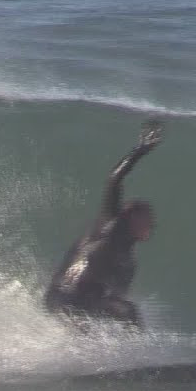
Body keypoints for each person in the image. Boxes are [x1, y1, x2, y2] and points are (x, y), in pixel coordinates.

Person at [44, 120, 163, 331]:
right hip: (63, 296)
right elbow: (114, 179)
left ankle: (128, 357)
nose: (151, 225)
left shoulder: (128, 262)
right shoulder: (111, 225)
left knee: (127, 310)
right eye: (146, 219)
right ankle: (127, 353)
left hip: (82, 304)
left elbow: (117, 295)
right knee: (125, 311)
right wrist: (140, 150)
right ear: (130, 217)